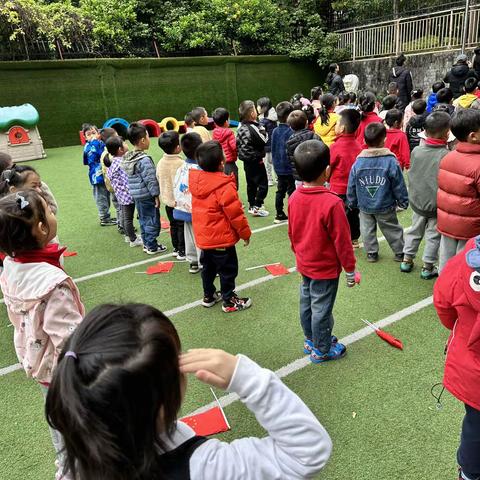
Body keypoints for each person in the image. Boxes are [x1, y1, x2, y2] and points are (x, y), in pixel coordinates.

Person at [45, 303, 333, 480]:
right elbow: (306, 453)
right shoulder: (204, 467)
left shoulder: (80, 457)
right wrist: (248, 379)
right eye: (177, 361)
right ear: (160, 405)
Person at [0, 189, 84, 480]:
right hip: (64, 371)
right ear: (41, 228)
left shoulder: (10, 266)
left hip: (38, 363)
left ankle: (64, 470)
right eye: (48, 211)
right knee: (79, 429)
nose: (52, 212)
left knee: (59, 427)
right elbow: (69, 337)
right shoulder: (52, 283)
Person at [288, 139, 357, 363]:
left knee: (307, 302)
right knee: (321, 309)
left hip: (305, 262)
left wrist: (298, 254)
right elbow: (343, 242)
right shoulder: (333, 203)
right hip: (324, 268)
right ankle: (322, 348)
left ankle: (311, 339)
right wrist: (350, 269)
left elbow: (292, 232)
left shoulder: (294, 197)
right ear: (327, 171)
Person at [433, 237, 480, 480]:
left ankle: (470, 474)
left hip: (471, 372)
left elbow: (442, 302)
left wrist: (461, 332)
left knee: (476, 426)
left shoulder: (468, 253)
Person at [190, 141, 252, 312]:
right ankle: (229, 300)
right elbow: (236, 214)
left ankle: (208, 295)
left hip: (204, 237)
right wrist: (245, 234)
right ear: (222, 163)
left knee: (208, 268)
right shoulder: (224, 186)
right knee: (228, 270)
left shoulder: (197, 182)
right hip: (221, 239)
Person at [347, 122, 408, 263]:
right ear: (385, 140)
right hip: (385, 204)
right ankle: (399, 252)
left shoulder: (358, 163)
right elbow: (399, 184)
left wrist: (352, 201)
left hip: (364, 205)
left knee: (367, 229)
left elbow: (351, 185)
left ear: (364, 141)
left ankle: (371, 253)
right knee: (392, 228)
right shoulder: (391, 161)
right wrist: (403, 200)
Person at [400, 112, 450, 279]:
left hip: (417, 201)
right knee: (433, 235)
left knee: (414, 230)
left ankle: (407, 259)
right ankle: (428, 267)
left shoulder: (417, 151)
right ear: (447, 133)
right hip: (436, 204)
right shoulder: (446, 156)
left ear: (425, 132)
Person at [437, 109, 480, 271]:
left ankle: (444, 291)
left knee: (446, 264)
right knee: (467, 266)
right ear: (473, 136)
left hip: (447, 223)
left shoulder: (448, 157)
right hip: (471, 228)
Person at [121, 122, 167, 255]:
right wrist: (156, 195)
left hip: (136, 195)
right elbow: (150, 179)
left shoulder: (128, 157)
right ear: (142, 140)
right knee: (151, 219)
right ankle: (152, 245)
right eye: (147, 136)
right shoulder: (144, 160)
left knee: (143, 218)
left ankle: (147, 243)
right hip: (146, 195)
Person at [329, 108, 362, 248]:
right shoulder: (359, 146)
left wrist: (327, 178)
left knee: (338, 215)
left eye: (336, 124)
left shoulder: (335, 147)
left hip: (338, 188)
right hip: (355, 188)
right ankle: (354, 238)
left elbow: (329, 166)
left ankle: (341, 239)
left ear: (342, 128)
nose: (334, 126)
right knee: (354, 213)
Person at [105, 136, 143, 248]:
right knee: (128, 218)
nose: (126, 144)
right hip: (127, 196)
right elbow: (127, 181)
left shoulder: (113, 163)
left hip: (120, 195)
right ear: (120, 149)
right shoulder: (122, 163)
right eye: (124, 143)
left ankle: (128, 235)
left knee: (126, 217)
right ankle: (133, 239)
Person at [173, 132, 203, 274]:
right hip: (198, 210)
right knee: (201, 237)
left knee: (189, 235)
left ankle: (193, 262)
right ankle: (204, 263)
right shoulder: (201, 169)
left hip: (183, 208)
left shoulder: (181, 167)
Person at [236, 100, 269, 217]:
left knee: (251, 184)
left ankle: (251, 205)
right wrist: (262, 128)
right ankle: (257, 205)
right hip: (256, 160)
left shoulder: (240, 127)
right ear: (251, 114)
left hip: (246, 161)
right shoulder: (253, 127)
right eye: (255, 109)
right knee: (263, 184)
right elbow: (264, 140)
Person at [157, 131, 186, 259]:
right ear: (178, 147)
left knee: (173, 224)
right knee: (181, 226)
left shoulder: (161, 163)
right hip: (179, 202)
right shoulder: (180, 164)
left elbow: (158, 177)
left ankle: (176, 248)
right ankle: (182, 250)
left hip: (167, 200)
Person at [82, 124, 116, 227]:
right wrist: (95, 141)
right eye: (89, 134)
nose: (92, 136)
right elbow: (88, 160)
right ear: (85, 137)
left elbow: (85, 161)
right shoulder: (92, 145)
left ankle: (106, 216)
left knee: (106, 195)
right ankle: (104, 217)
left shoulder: (99, 143)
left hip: (104, 174)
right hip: (97, 176)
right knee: (101, 197)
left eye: (94, 133)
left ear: (98, 133)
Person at [271, 101, 295, 224]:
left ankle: (279, 213)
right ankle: (292, 213)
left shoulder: (275, 131)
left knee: (280, 190)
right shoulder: (291, 132)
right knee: (291, 190)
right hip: (289, 167)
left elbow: (273, 148)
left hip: (278, 167)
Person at [287, 110, 321, 185]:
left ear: (291, 127)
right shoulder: (315, 136)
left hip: (299, 176)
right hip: (315, 175)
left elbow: (289, 159)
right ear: (307, 122)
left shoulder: (289, 142)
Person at [99, 127, 122, 234]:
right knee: (121, 207)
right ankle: (122, 225)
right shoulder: (111, 155)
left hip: (111, 186)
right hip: (117, 186)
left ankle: (120, 223)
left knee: (118, 206)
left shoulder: (104, 153)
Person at [212, 107, 238, 189]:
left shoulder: (215, 132)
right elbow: (234, 147)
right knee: (233, 182)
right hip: (230, 163)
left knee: (223, 183)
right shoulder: (229, 133)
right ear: (226, 121)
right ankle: (233, 199)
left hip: (220, 162)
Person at [257, 96, 278, 186]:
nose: (257, 107)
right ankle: (277, 178)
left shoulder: (263, 121)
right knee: (274, 163)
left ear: (264, 108)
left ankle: (270, 179)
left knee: (268, 164)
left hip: (266, 146)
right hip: (274, 144)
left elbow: (260, 134)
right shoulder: (273, 118)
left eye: (258, 106)